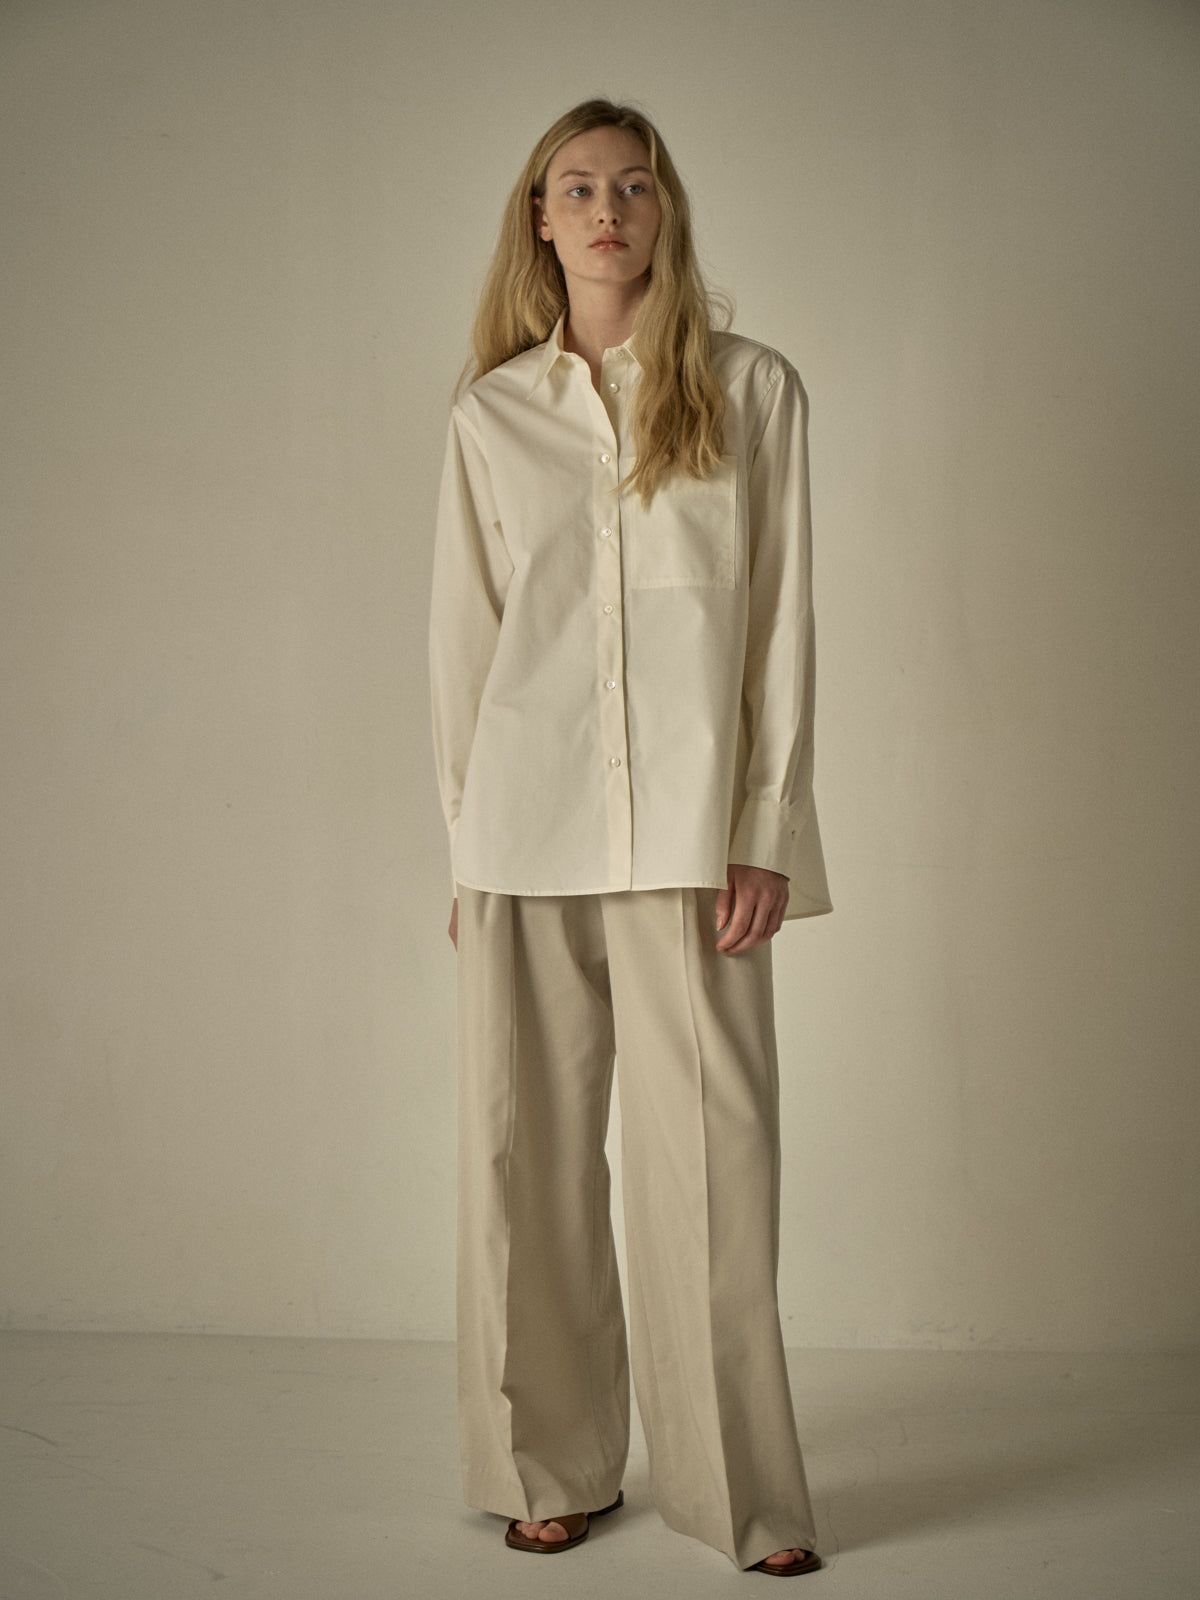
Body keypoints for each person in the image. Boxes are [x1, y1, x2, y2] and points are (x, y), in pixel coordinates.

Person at [428, 97, 832, 1577]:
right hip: (525, 831)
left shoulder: (752, 390)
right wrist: (466, 845)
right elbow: (465, 646)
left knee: (713, 1170)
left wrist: (764, 827)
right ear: (540, 220)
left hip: (690, 837)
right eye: (579, 188)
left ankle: (740, 1495)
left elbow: (778, 624)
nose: (608, 211)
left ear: (666, 211)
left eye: (635, 186)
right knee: (521, 1164)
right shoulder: (491, 416)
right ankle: (547, 1463)